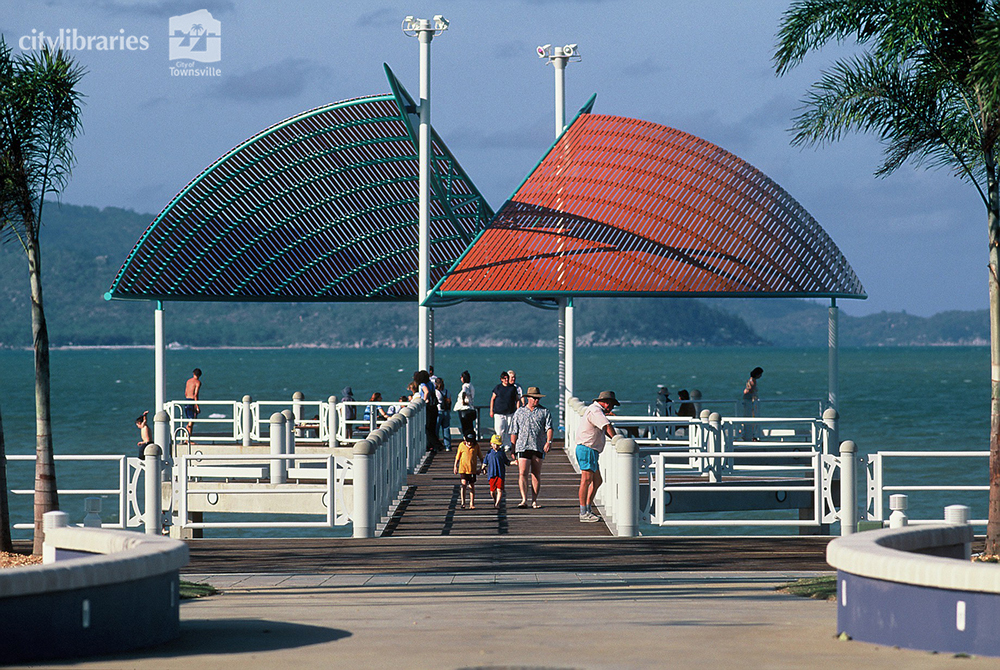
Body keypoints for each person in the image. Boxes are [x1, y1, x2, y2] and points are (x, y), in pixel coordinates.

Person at [576, 390, 618, 522]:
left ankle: (588, 508)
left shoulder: (595, 410)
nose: (612, 408)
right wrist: (616, 439)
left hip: (590, 450)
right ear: (606, 403)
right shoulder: (595, 411)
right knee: (586, 480)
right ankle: (583, 512)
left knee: (597, 480)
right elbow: (607, 426)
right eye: (611, 405)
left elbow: (603, 427)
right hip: (587, 448)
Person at [509, 386, 553, 509]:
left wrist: (548, 442)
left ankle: (534, 500)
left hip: (538, 446)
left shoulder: (544, 412)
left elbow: (549, 428)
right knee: (522, 472)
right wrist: (513, 447)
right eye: (534, 398)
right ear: (528, 398)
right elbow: (514, 430)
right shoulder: (519, 412)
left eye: (538, 398)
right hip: (522, 446)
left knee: (536, 473)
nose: (536, 400)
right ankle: (523, 499)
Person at [489, 371, 518, 453]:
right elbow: (492, 399)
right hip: (499, 413)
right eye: (504, 378)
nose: (506, 380)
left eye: (507, 378)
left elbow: (517, 399)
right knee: (499, 430)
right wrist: (491, 410)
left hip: (510, 412)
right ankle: (499, 445)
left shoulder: (513, 388)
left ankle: (507, 445)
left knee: (509, 429)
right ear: (501, 379)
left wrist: (517, 410)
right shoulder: (497, 388)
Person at [415, 370, 442, 451]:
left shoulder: (422, 384)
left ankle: (437, 445)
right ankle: (431, 445)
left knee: (427, 428)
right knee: (432, 427)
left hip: (428, 407)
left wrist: (424, 400)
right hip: (434, 407)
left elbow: (426, 392)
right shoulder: (431, 383)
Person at [453, 433, 482, 509]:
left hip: (472, 470)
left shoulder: (476, 446)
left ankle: (471, 503)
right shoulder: (461, 445)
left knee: (471, 486)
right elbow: (457, 457)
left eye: (471, 441)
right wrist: (455, 466)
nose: (470, 443)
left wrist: (482, 468)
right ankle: (463, 502)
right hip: (463, 469)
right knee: (464, 484)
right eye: (468, 441)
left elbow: (481, 457)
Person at [482, 433, 509, 509]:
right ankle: (495, 499)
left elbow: (507, 462)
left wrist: (513, 462)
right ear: (491, 444)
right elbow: (485, 462)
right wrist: (483, 468)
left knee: (499, 490)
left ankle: (497, 503)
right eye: (494, 444)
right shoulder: (489, 453)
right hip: (492, 473)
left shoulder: (501, 453)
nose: (496, 446)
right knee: (492, 491)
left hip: (500, 474)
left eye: (497, 444)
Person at [454, 370, 477, 438]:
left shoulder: (465, 386)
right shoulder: (471, 386)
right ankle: (471, 438)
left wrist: (463, 400)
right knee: (470, 426)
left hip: (463, 409)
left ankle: (466, 438)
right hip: (470, 408)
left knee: (465, 427)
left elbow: (464, 392)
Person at [742, 367, 764, 440]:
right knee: (753, 417)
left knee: (748, 417)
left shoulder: (750, 380)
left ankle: (748, 433)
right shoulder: (752, 381)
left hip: (749, 401)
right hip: (751, 402)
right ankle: (752, 435)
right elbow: (750, 390)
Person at [184, 368, 202, 439]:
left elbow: (186, 392)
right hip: (192, 401)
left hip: (186, 400)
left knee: (190, 420)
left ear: (193, 373)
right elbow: (195, 394)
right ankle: (187, 439)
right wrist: (197, 406)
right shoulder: (197, 382)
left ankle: (186, 437)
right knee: (191, 421)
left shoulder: (188, 381)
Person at [435, 377, 452, 449]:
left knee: (436, 429)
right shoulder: (447, 391)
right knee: (446, 428)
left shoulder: (436, 392)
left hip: (439, 411)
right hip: (446, 411)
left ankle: (436, 445)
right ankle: (447, 446)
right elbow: (450, 401)